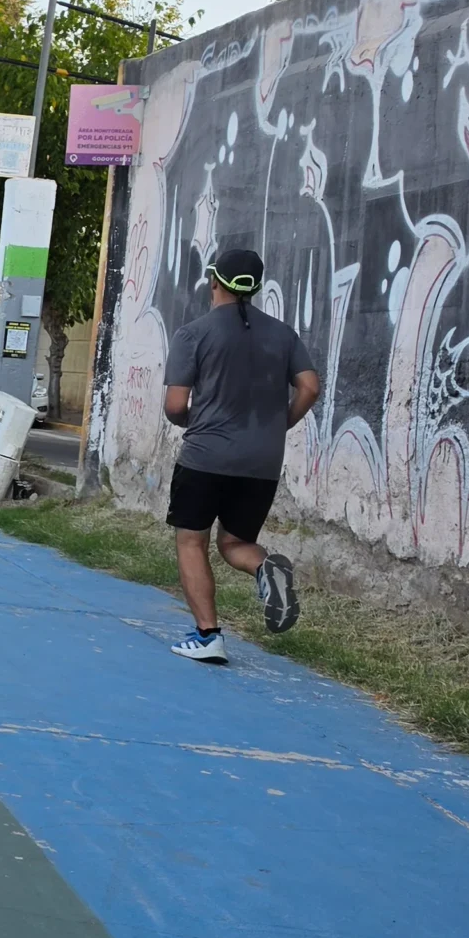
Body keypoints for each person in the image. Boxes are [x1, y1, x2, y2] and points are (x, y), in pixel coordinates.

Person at [162, 247, 321, 663]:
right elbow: (310, 387)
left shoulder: (193, 334)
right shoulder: (283, 335)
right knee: (235, 543)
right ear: (255, 287)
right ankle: (266, 568)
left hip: (206, 456)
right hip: (262, 461)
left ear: (214, 281)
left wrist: (194, 421)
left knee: (191, 540)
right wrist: (280, 424)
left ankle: (208, 636)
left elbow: (175, 405)